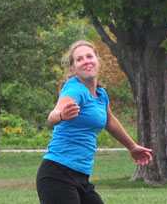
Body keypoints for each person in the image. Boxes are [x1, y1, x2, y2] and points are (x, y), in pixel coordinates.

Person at [36, 40, 153, 204]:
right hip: (57, 174)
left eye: (89, 56)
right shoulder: (75, 89)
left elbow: (110, 121)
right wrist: (62, 114)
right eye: (79, 59)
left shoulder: (100, 94)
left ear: (98, 61)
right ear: (73, 68)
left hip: (81, 177)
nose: (86, 61)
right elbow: (52, 116)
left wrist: (132, 146)